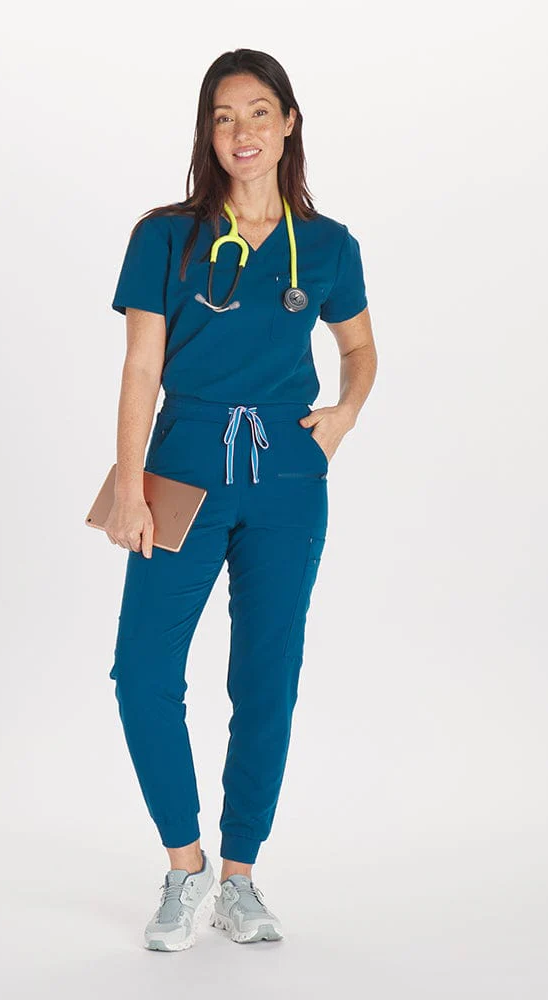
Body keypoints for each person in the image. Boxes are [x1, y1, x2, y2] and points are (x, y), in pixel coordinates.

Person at [105, 48, 377, 951]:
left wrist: (342, 415)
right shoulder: (165, 237)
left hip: (287, 479)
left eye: (259, 112)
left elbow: (360, 349)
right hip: (182, 466)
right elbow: (141, 367)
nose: (242, 131)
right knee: (142, 673)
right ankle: (184, 867)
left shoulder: (327, 245)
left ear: (289, 122)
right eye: (224, 117)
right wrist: (131, 487)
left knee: (267, 681)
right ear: (207, 132)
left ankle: (239, 878)